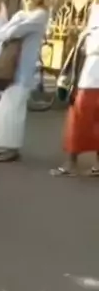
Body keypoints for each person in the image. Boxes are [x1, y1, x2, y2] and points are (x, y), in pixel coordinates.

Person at [0, 0, 48, 162]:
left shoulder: (40, 15)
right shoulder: (20, 15)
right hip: (11, 68)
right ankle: (5, 145)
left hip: (24, 70)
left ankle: (11, 148)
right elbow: (0, 33)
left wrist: (11, 30)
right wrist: (11, 29)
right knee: (6, 108)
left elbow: (15, 31)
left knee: (14, 109)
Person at [51, 21, 99, 177]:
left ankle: (78, 164)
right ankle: (72, 162)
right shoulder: (92, 25)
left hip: (90, 80)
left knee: (81, 121)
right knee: (78, 122)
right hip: (87, 80)